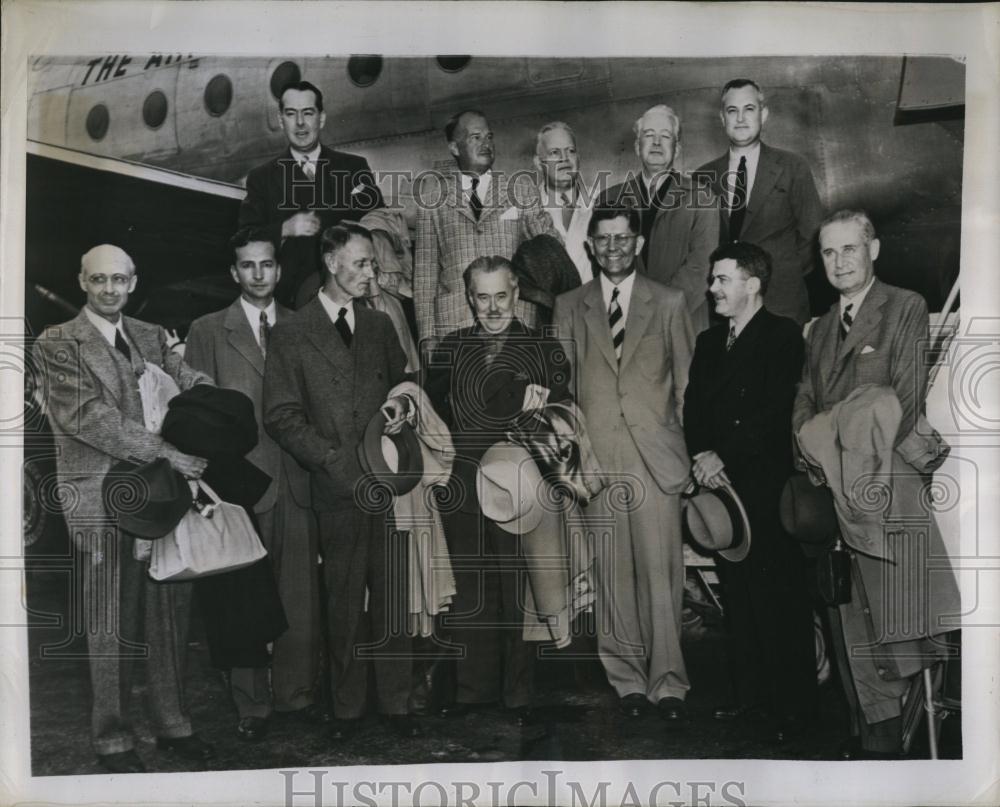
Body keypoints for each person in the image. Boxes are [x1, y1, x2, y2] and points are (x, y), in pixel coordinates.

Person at [33, 245, 215, 773]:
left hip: (163, 497)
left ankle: (174, 724)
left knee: (169, 614)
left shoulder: (152, 335)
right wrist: (169, 452)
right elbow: (88, 418)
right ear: (82, 283)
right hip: (101, 498)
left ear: (133, 282)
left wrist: (215, 407)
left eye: (119, 280)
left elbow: (190, 383)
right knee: (109, 620)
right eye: (99, 281)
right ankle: (112, 738)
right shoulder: (58, 342)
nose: (110, 290)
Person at [791, 209, 960, 758]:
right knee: (850, 614)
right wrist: (819, 445)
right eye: (828, 253)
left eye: (849, 249)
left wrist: (827, 437)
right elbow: (804, 407)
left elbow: (903, 401)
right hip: (837, 488)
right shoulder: (816, 329)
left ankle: (919, 743)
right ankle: (876, 740)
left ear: (874, 251)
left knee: (901, 619)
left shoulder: (904, 307)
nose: (839, 262)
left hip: (887, 485)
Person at [263, 222, 420, 741]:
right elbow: (282, 416)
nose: (370, 273)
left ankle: (398, 704)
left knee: (393, 595)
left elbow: (404, 381)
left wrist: (400, 406)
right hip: (338, 485)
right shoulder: (290, 334)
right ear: (331, 264)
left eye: (372, 263)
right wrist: (333, 460)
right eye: (361, 263)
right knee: (345, 600)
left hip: (388, 480)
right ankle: (349, 711)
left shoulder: (378, 326)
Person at [552, 206, 695, 721]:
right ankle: (628, 681)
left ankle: (670, 682)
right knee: (612, 576)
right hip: (598, 459)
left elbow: (686, 387)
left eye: (623, 238)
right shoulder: (569, 305)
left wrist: (689, 454)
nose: (613, 247)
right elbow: (561, 387)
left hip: (655, 459)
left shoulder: (671, 302)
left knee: (662, 575)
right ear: (590, 245)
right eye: (603, 239)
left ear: (638, 243)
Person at [185, 229, 320, 740]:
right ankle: (251, 703)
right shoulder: (207, 330)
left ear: (279, 271)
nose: (258, 274)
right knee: (240, 593)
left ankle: (296, 695)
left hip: (298, 473)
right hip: (239, 481)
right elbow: (196, 413)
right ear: (234, 273)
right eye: (248, 266)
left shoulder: (305, 325)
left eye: (266, 264)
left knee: (298, 593)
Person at [424, 255, 571, 723]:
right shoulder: (450, 346)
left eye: (501, 296)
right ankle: (472, 691)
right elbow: (435, 420)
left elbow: (567, 420)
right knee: (470, 587)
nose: (491, 307)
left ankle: (518, 694)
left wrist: (540, 418)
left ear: (517, 294)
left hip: (517, 484)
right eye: (481, 297)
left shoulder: (544, 349)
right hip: (463, 484)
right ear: (469, 298)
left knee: (517, 584)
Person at [682, 241, 816, 742]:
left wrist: (723, 457)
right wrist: (701, 455)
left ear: (753, 285)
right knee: (738, 600)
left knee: (779, 600)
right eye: (714, 279)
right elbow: (693, 409)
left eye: (722, 279)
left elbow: (776, 411)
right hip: (720, 491)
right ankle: (751, 701)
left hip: (764, 488)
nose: (712, 288)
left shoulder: (783, 337)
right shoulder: (708, 343)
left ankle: (794, 711)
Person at [414, 109, 556, 351]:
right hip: (454, 326)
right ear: (454, 148)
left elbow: (549, 246)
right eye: (475, 137)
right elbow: (425, 275)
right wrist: (427, 337)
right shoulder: (432, 199)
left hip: (514, 321)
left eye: (489, 137)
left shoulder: (520, 188)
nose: (486, 144)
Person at [239, 80, 384, 309]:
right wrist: (285, 229)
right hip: (294, 307)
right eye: (290, 114)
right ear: (280, 120)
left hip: (352, 302)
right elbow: (243, 238)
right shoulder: (261, 177)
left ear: (321, 118)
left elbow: (379, 224)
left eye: (308, 113)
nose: (300, 123)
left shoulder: (354, 167)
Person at [698, 79, 824, 326]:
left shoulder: (793, 167)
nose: (741, 118)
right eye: (732, 111)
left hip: (782, 304)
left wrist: (779, 274)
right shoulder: (703, 177)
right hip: (725, 311)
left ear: (763, 114)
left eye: (749, 109)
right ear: (722, 119)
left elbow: (811, 237)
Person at [600, 104, 718, 332]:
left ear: (677, 149)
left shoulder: (702, 197)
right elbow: (603, 264)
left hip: (685, 323)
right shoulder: (609, 198)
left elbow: (702, 266)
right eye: (648, 135)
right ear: (637, 146)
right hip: (625, 325)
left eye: (665, 136)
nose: (656, 142)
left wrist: (654, 312)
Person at [534, 121, 594, 284]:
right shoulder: (524, 210)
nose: (564, 158)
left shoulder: (601, 201)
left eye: (571, 151)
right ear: (539, 163)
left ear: (578, 158)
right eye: (554, 152)